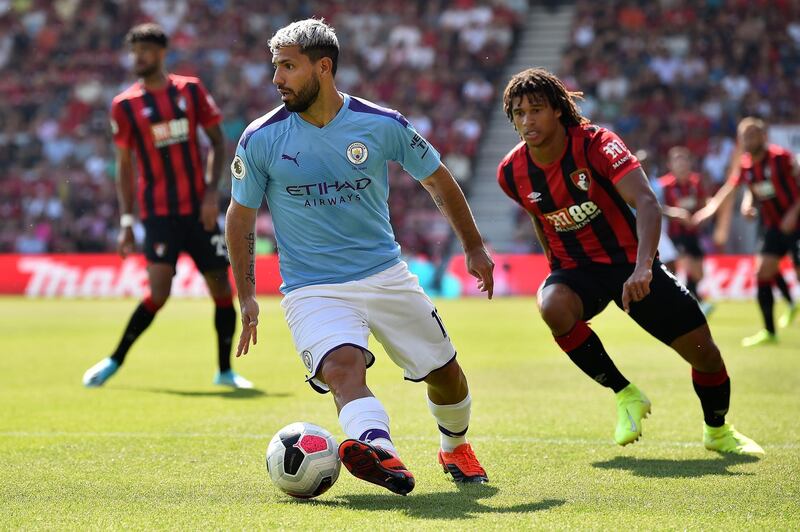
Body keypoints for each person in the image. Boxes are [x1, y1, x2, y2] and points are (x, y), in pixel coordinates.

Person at [225, 19, 494, 495]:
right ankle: (379, 449)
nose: (276, 79)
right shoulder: (261, 138)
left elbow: (438, 179)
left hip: (385, 275)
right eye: (275, 67)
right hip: (313, 287)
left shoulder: (381, 124)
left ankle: (454, 446)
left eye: (288, 67)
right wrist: (246, 295)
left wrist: (473, 246)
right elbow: (240, 217)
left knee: (446, 376)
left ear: (323, 67)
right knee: (342, 368)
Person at [496, 67, 763, 455]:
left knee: (706, 355)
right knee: (551, 306)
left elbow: (648, 205)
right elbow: (542, 219)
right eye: (519, 113)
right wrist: (555, 266)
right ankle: (625, 394)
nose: (527, 120)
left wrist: (644, 267)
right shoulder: (511, 172)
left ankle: (717, 430)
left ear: (557, 110)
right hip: (576, 269)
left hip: (628, 265)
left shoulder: (597, 144)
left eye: (536, 110)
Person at [83, 23, 252, 389]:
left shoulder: (189, 91)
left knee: (222, 289)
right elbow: (125, 167)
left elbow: (218, 144)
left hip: (200, 211)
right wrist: (127, 221)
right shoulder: (124, 105)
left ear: (161, 53)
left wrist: (211, 195)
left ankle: (224, 372)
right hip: (159, 213)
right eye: (134, 51)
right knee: (158, 293)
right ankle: (114, 361)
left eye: (144, 50)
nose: (138, 57)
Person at [694, 117, 800, 346]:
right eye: (745, 136)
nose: (748, 139)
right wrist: (742, 204)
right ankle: (770, 332)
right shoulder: (746, 164)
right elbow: (735, 187)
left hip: (796, 223)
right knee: (762, 271)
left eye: (753, 134)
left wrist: (793, 212)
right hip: (773, 226)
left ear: (764, 136)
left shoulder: (780, 158)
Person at [658, 146, 713, 315]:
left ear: (689, 163)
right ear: (670, 164)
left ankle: (694, 302)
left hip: (694, 233)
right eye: (677, 161)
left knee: (698, 274)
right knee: (687, 266)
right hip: (674, 234)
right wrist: (675, 213)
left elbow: (704, 202)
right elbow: (657, 207)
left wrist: (703, 216)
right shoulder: (664, 185)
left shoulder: (696, 182)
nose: (681, 165)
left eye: (684, 161)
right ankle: (695, 304)